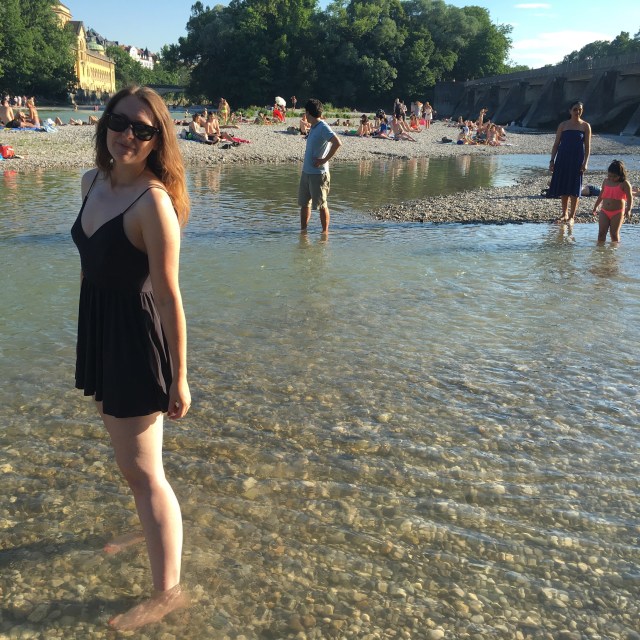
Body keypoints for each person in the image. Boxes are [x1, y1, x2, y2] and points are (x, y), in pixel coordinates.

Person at [70, 85, 191, 631]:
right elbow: (90, 265)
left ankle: (169, 594)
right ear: (105, 124)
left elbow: (168, 298)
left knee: (145, 473)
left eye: (143, 130)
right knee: (131, 463)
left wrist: (180, 378)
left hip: (136, 342)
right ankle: (148, 529)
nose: (128, 136)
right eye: (120, 122)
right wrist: (88, 335)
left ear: (157, 140)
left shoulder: (153, 204)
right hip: (102, 331)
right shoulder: (90, 181)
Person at [298, 98, 342, 233]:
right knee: (304, 204)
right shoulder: (313, 127)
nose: (305, 115)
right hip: (306, 172)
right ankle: (303, 232)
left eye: (305, 112)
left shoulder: (323, 126)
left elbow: (337, 143)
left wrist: (323, 160)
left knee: (322, 205)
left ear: (308, 113)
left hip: (319, 174)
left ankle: (325, 234)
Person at [548, 101, 591, 223]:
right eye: (575, 109)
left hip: (577, 160)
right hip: (563, 158)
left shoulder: (585, 126)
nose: (577, 111)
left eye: (580, 109)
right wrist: (552, 160)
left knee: (575, 187)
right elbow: (556, 144)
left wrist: (585, 162)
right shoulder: (563, 125)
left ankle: (572, 216)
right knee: (564, 186)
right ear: (570, 111)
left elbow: (588, 147)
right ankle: (564, 213)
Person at [591, 159, 633, 242]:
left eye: (614, 176)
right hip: (604, 211)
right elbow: (601, 195)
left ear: (621, 175)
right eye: (610, 176)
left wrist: (628, 209)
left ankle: (614, 250)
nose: (612, 178)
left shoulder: (624, 183)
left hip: (617, 212)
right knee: (601, 233)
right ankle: (600, 249)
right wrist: (595, 206)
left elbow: (630, 197)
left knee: (614, 234)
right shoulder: (606, 181)